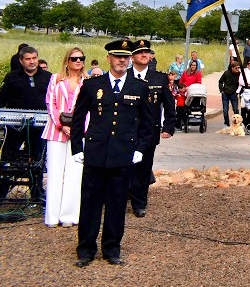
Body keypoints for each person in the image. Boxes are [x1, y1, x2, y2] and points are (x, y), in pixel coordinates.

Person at [69, 39, 155, 266]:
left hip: (123, 154)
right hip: (96, 153)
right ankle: (86, 249)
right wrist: (77, 148)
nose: (122, 61)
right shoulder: (92, 85)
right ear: (109, 58)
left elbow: (148, 123)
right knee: (90, 203)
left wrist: (140, 149)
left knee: (117, 204)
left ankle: (112, 249)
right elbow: (77, 120)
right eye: (118, 57)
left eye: (126, 57)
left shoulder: (139, 87)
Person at [0, 44, 52, 202]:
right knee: (7, 157)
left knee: (38, 158)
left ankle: (36, 192)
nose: (32, 62)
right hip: (14, 126)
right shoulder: (12, 77)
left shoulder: (47, 77)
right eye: (28, 59)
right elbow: (1, 99)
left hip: (39, 127)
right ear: (21, 60)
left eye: (34, 58)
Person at [127, 39, 176, 217]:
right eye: (140, 52)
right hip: (127, 129)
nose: (144, 55)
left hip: (149, 129)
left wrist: (168, 126)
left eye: (147, 52)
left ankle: (139, 203)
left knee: (144, 167)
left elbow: (169, 104)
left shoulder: (159, 78)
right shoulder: (125, 75)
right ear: (132, 57)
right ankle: (125, 195)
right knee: (125, 165)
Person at [43, 47, 87, 227]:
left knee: (75, 174)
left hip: (78, 133)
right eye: (74, 58)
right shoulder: (55, 79)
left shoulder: (88, 82)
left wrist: (76, 129)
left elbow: (89, 110)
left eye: (81, 58)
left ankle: (69, 215)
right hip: (55, 131)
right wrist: (62, 126)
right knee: (54, 173)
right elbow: (50, 103)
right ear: (67, 60)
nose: (78, 61)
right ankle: (52, 216)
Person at [218, 59, 241, 128]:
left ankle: (237, 123)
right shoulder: (226, 73)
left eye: (238, 68)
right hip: (225, 93)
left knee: (236, 109)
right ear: (232, 68)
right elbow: (220, 81)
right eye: (236, 68)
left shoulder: (239, 74)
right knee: (225, 110)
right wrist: (221, 90)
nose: (237, 69)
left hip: (234, 94)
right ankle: (226, 123)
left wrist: (238, 92)